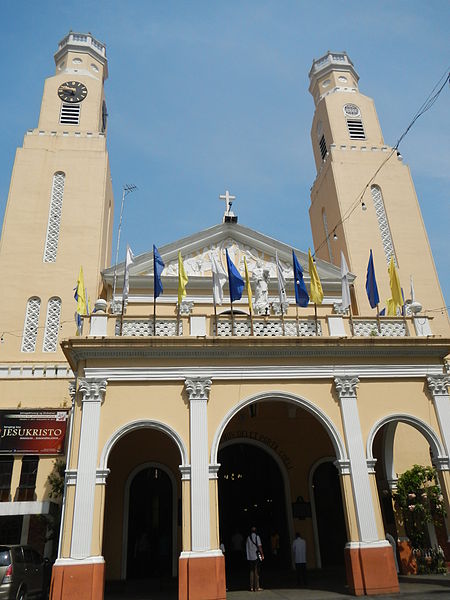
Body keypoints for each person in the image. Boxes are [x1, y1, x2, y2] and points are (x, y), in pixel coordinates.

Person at [246, 526, 264, 591]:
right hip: (256, 556)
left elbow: (247, 547)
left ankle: (251, 587)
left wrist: (248, 556)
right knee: (256, 571)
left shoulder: (248, 538)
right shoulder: (257, 537)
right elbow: (259, 546)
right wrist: (262, 554)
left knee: (251, 571)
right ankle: (257, 587)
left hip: (250, 557)